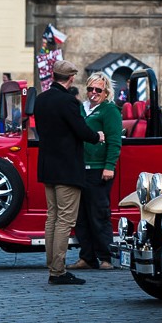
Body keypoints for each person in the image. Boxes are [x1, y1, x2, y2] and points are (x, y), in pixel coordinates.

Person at [33, 59, 104, 285]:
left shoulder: (41, 99)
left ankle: (52, 265)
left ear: (53, 75)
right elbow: (81, 130)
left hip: (47, 166)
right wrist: (98, 136)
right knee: (64, 220)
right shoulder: (68, 101)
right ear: (71, 78)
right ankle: (58, 270)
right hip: (67, 169)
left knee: (52, 218)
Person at [69, 72, 122, 271]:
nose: (93, 93)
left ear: (106, 91)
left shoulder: (109, 111)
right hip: (80, 167)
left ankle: (106, 256)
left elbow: (115, 141)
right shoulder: (82, 108)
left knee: (98, 214)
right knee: (81, 215)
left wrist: (110, 166)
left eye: (98, 90)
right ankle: (87, 256)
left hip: (99, 169)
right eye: (90, 89)